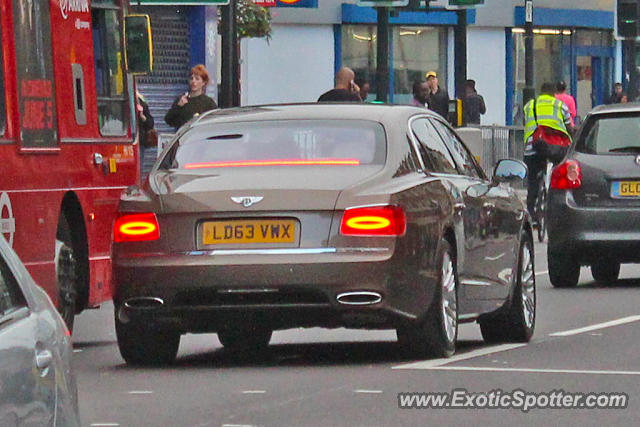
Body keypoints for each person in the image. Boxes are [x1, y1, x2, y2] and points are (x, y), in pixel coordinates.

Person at [523, 82, 573, 223]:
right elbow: (569, 127)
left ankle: (532, 213)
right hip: (556, 147)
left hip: (533, 147)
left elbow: (526, 123)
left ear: (540, 92)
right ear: (553, 94)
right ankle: (558, 207)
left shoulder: (529, 106)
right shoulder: (560, 105)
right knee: (560, 174)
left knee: (532, 181)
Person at [164, 64, 217, 130]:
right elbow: (168, 120)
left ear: (203, 82)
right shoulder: (181, 99)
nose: (193, 81)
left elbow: (214, 123)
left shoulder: (209, 103)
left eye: (197, 79)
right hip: (183, 137)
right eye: (191, 78)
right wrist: (178, 106)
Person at [136, 91, 155, 170]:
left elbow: (150, 124)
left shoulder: (142, 102)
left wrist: (143, 118)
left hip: (140, 141)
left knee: (139, 167)